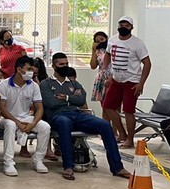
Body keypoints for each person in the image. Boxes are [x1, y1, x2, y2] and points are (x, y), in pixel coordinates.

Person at [40, 65, 131, 180]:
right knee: (65, 123)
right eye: (61, 64)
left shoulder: (73, 83)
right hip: (58, 116)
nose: (65, 66)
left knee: (105, 125)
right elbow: (50, 103)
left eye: (66, 63)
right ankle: (68, 166)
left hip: (77, 114)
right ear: (54, 66)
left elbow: (81, 100)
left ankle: (117, 167)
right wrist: (72, 99)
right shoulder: (45, 84)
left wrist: (66, 98)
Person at [0, 56, 51, 176]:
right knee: (10, 125)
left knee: (45, 127)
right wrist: (18, 123)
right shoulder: (3, 84)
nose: (32, 72)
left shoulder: (34, 86)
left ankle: (38, 160)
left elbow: (40, 108)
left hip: (26, 117)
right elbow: (2, 109)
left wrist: (33, 124)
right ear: (19, 70)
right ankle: (8, 163)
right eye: (29, 69)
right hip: (6, 118)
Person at [102, 16, 151, 149]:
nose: (123, 27)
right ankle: (122, 133)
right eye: (121, 24)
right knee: (107, 106)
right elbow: (107, 54)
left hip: (132, 82)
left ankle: (130, 139)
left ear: (131, 28)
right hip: (116, 80)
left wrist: (141, 83)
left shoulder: (138, 44)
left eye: (126, 25)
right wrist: (106, 71)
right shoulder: (112, 40)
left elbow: (147, 64)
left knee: (129, 111)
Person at [88, 32, 110, 103]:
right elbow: (93, 66)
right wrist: (93, 50)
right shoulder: (98, 51)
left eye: (102, 39)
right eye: (97, 41)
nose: (100, 42)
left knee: (112, 104)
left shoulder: (111, 49)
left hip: (112, 76)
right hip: (101, 77)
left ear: (106, 38)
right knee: (103, 104)